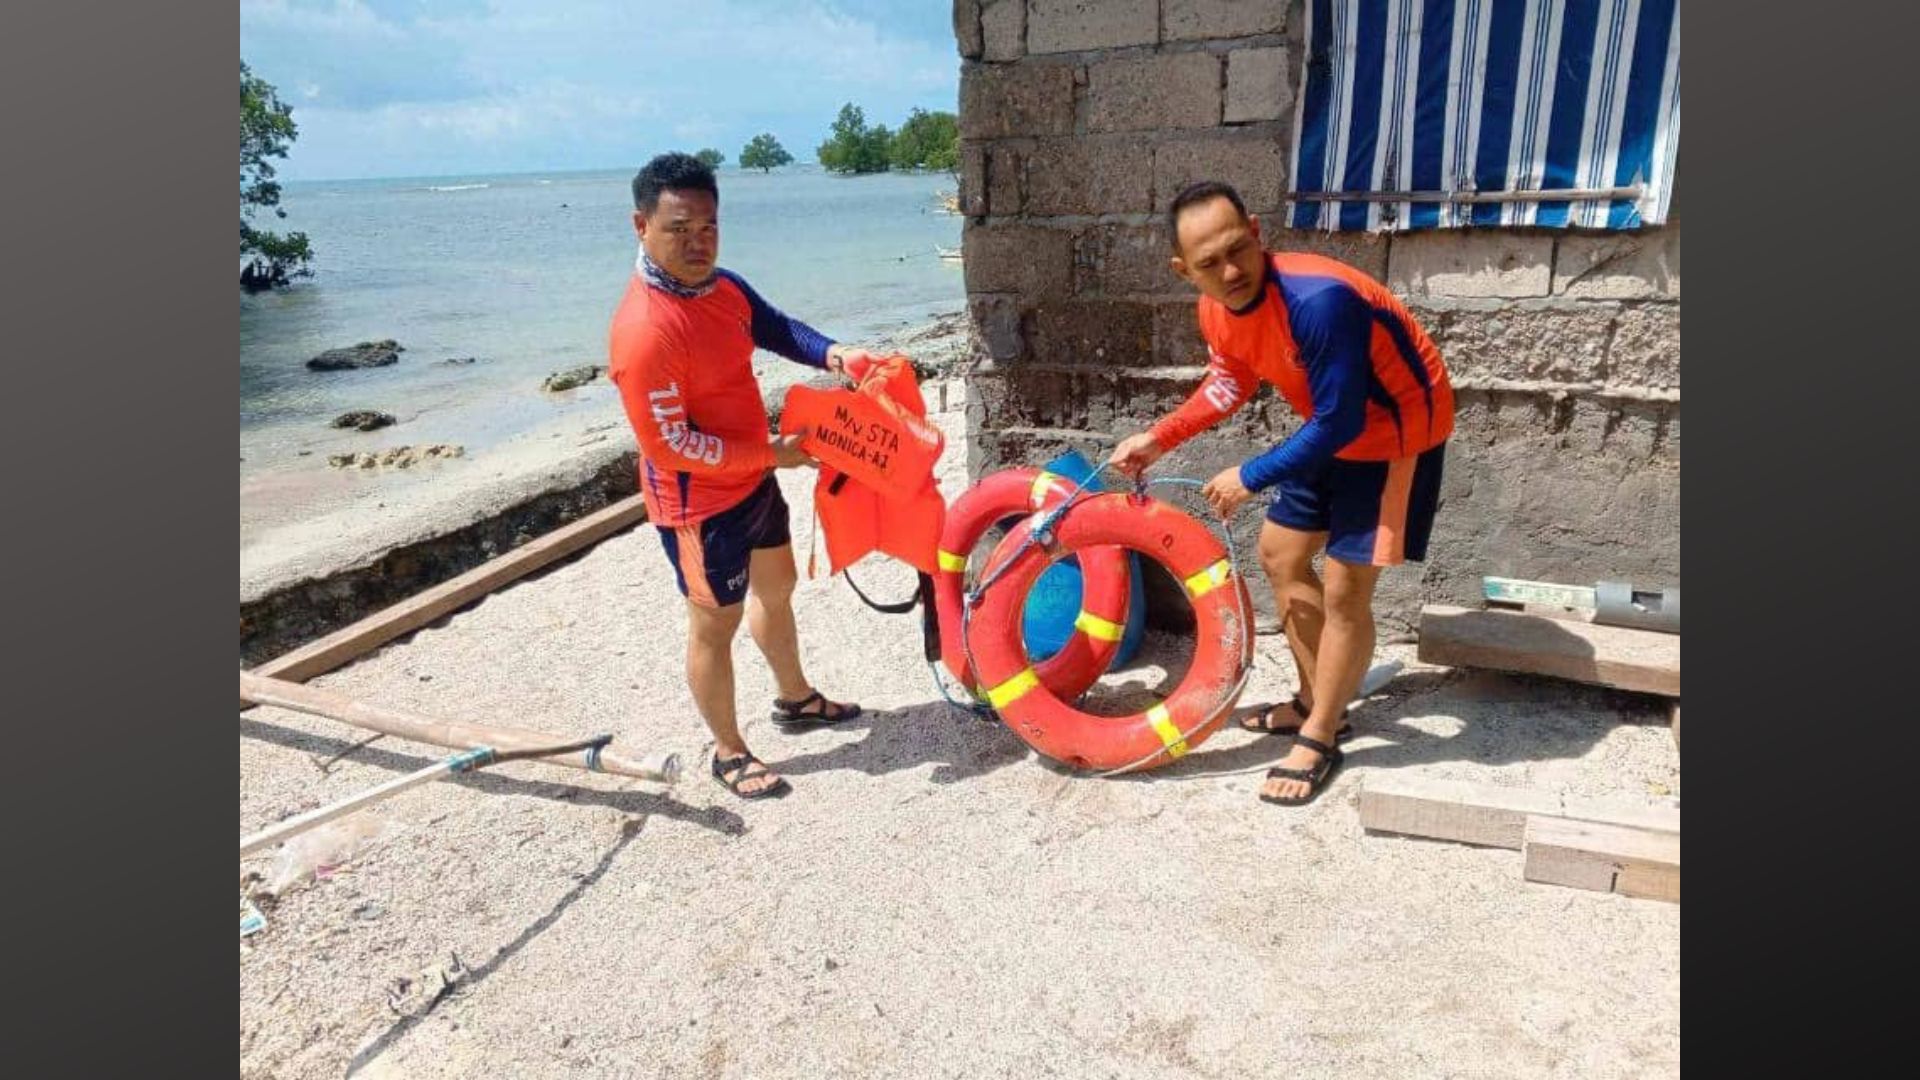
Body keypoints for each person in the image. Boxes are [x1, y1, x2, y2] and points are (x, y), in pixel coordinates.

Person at [1108, 181, 1455, 807]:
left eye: (1238, 249)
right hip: (1332, 431)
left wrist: (1252, 474)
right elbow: (1228, 382)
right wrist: (1157, 439)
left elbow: (1343, 420)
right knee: (1280, 554)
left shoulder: (1319, 301)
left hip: (1398, 430)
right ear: (1184, 271)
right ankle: (1312, 698)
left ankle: (1323, 732)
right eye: (1209, 264)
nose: (1231, 271)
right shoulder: (1216, 309)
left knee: (1349, 585)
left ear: (1258, 234)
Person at [608, 152, 881, 801]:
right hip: (697, 503)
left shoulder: (721, 288)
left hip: (755, 479)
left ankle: (795, 698)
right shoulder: (644, 333)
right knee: (714, 623)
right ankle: (729, 751)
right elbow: (670, 447)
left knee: (778, 587)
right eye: (678, 228)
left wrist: (836, 353)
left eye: (708, 226)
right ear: (640, 225)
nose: (697, 242)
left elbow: (776, 327)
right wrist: (775, 454)